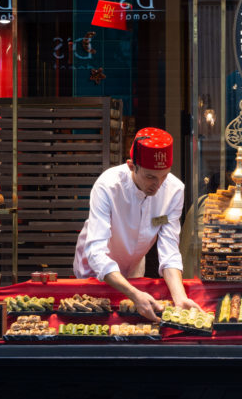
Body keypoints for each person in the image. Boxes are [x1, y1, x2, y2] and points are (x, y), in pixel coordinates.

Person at [73, 127, 201, 321]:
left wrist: (180, 297)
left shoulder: (174, 190)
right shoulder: (108, 186)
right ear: (132, 166)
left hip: (134, 270)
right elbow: (96, 252)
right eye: (150, 177)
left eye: (164, 176)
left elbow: (169, 251)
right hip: (95, 269)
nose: (158, 185)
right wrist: (133, 294)